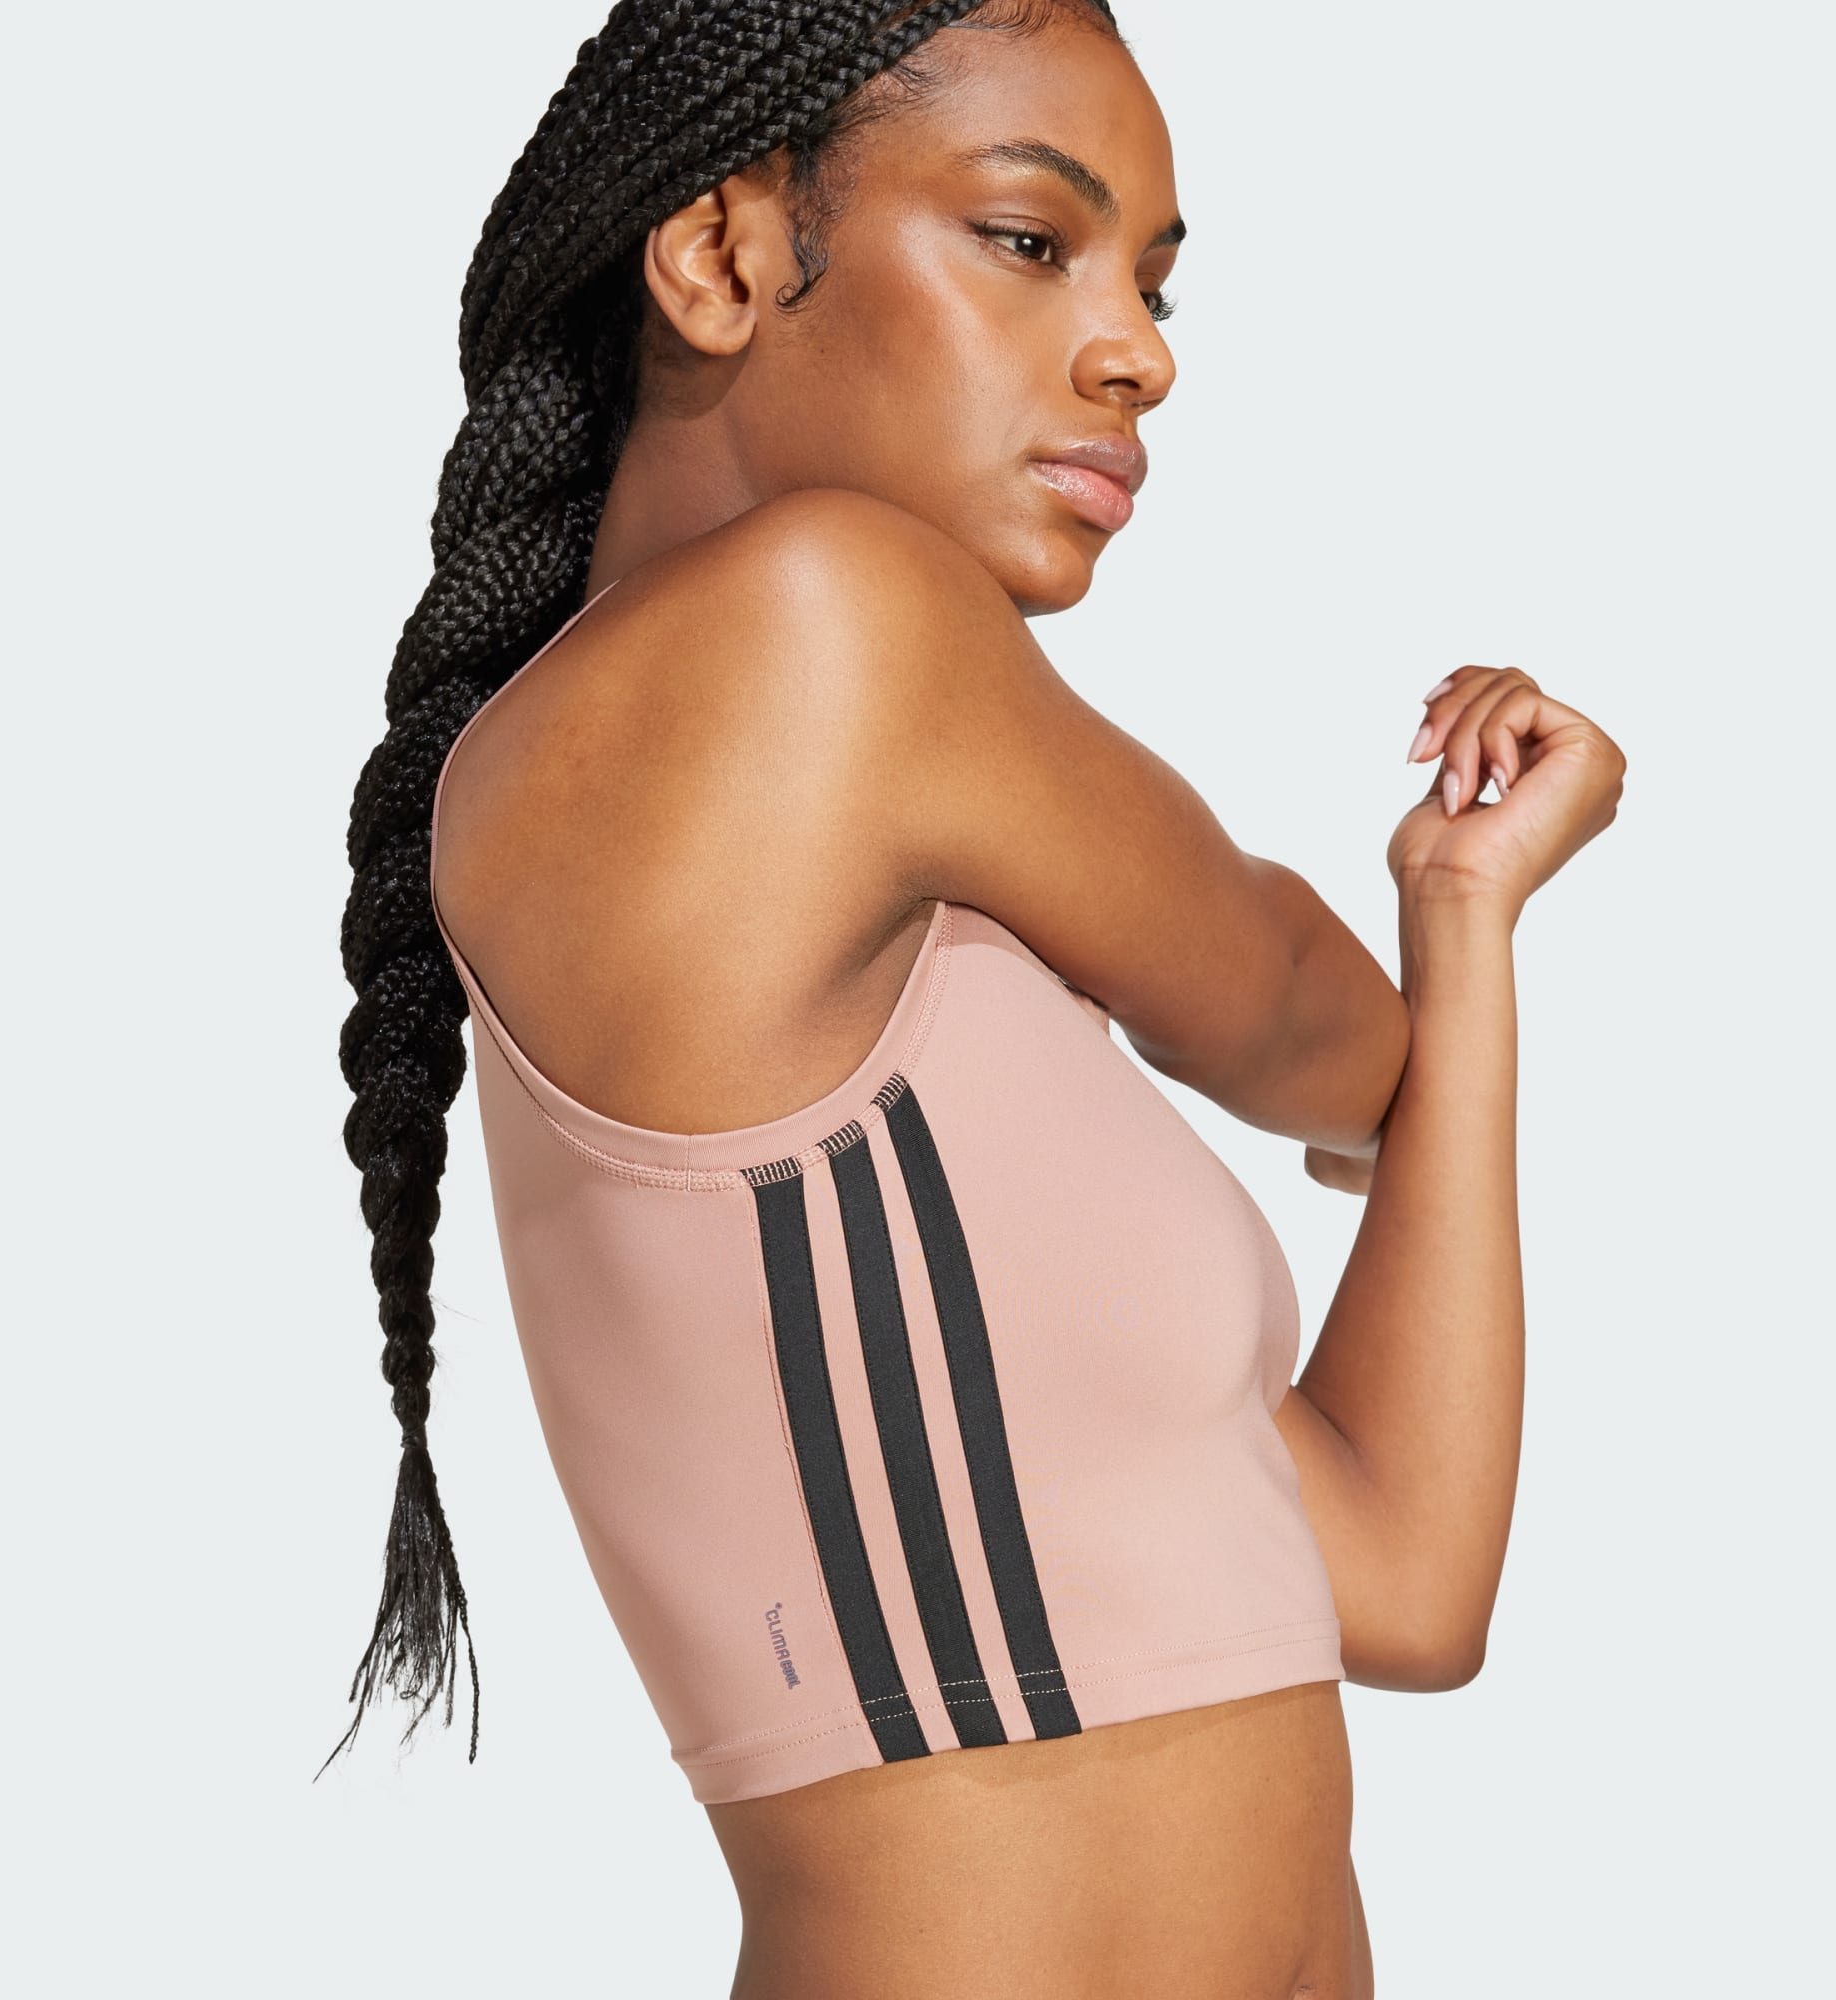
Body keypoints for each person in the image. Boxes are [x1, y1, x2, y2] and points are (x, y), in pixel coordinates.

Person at [327, 2, 1627, 1992]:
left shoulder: (928, 984)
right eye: (1032, 240)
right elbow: (1312, 1024)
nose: (1140, 354)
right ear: (721, 256)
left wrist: (1464, 914)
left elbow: (1405, 1580)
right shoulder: (816, 624)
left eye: (1153, 286)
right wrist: (1400, 1053)